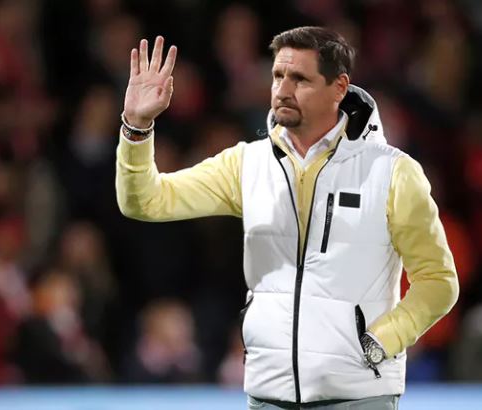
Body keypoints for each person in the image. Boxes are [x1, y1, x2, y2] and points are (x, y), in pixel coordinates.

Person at [116, 27, 459, 409]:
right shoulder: (247, 164)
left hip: (358, 396)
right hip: (269, 395)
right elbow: (146, 202)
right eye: (278, 75)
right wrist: (137, 127)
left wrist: (381, 341)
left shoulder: (393, 172)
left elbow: (438, 281)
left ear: (339, 88)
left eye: (300, 79)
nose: (283, 89)